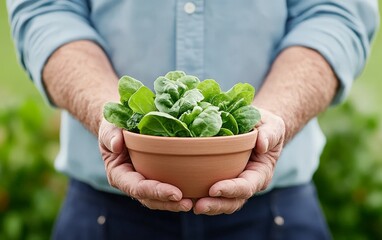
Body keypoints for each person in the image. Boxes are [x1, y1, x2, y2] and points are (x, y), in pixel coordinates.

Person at [7, 0, 379, 239]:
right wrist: (106, 113)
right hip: (105, 215)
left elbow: (335, 14)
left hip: (275, 216)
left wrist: (277, 115)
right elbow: (47, 9)